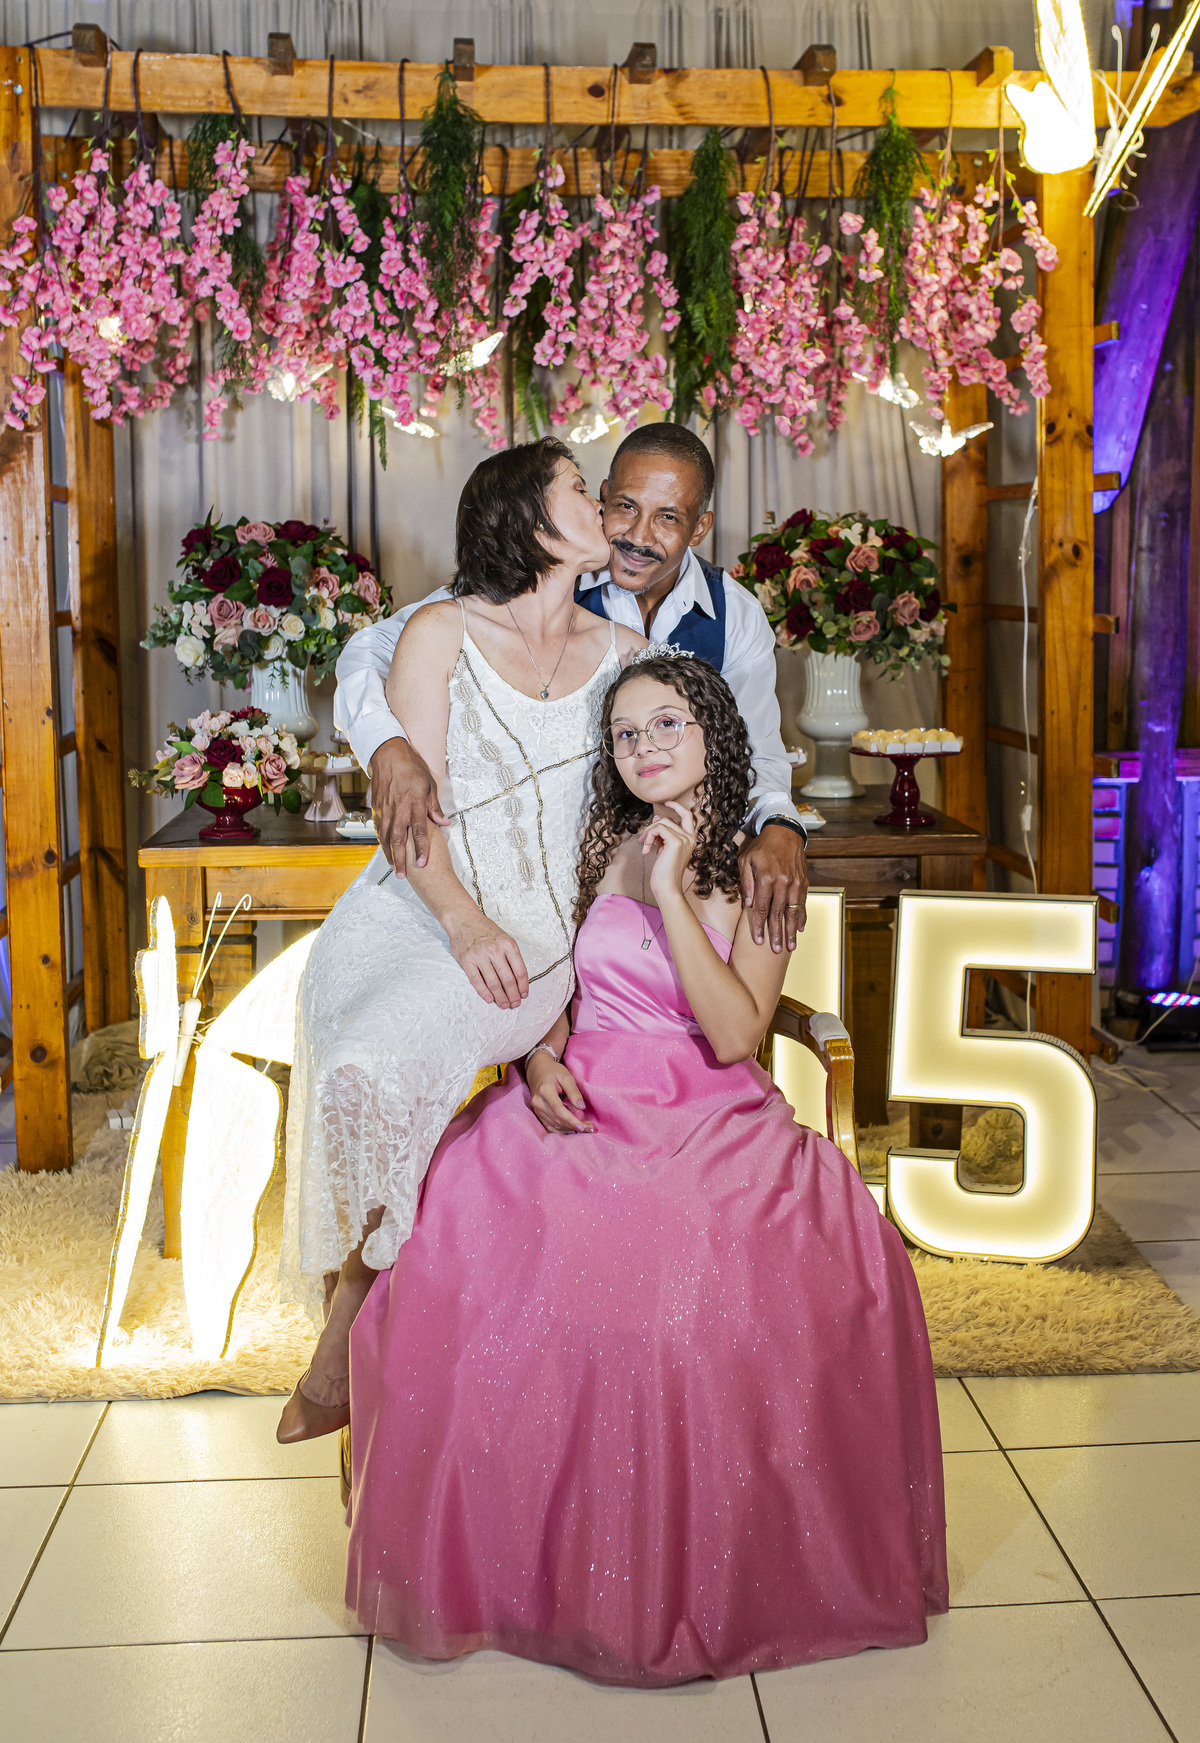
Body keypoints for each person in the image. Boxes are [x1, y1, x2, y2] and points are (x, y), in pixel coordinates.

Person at [345, 652, 948, 1684]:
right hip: (582, 1091)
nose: (644, 747)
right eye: (625, 733)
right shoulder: (601, 843)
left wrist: (671, 890)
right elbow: (568, 992)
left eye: (667, 723)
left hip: (705, 1107)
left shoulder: (758, 868)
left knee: (670, 1294)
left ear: (714, 731)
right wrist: (539, 1057)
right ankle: (509, 1563)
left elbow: (735, 1032)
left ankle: (678, 1569)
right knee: (456, 1244)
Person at [277, 439, 646, 1443]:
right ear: (528, 518)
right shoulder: (439, 631)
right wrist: (461, 918)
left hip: (533, 944)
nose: (601, 502)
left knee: (387, 1062)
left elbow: (620, 838)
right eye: (580, 488)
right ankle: (370, 1310)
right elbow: (409, 821)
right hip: (415, 909)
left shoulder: (625, 655)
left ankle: (347, 1333)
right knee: (355, 1058)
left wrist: (564, 1010)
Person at [334, 422, 811, 954]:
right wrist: (388, 745)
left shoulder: (735, 614)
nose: (638, 536)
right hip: (494, 895)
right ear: (602, 498)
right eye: (624, 506)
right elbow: (369, 651)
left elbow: (753, 751)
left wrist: (780, 824)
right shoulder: (528, 578)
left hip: (627, 889)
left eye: (667, 517)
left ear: (700, 527)